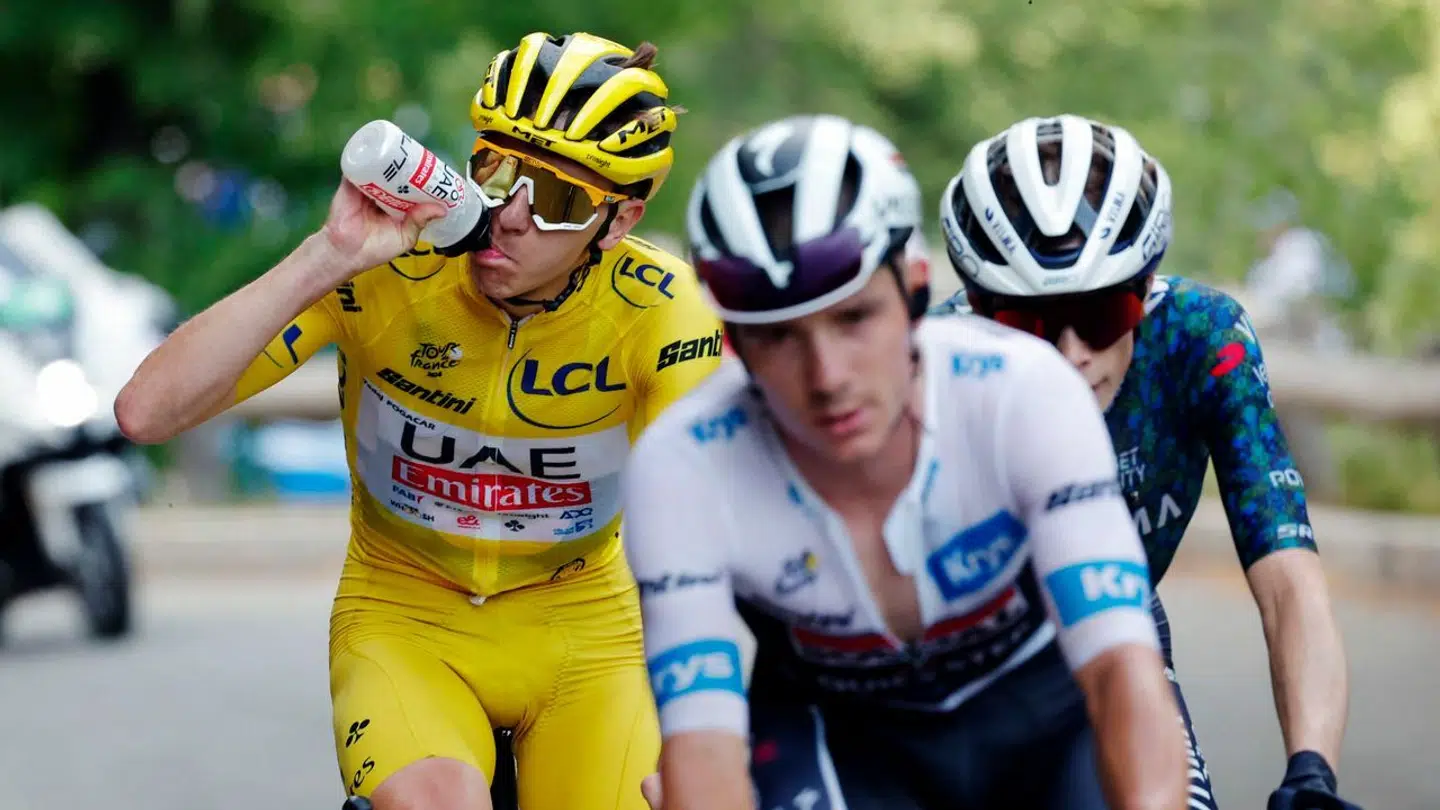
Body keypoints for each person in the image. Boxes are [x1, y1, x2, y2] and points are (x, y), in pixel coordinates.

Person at [114, 31, 723, 810]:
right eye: (497, 171)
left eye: (560, 200)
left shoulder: (664, 311)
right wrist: (328, 255)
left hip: (588, 637)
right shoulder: (385, 269)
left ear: (618, 221)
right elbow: (146, 412)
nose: (512, 215)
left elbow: (705, 525)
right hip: (405, 616)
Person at [623, 113, 1188, 810]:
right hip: (840, 739)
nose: (827, 377)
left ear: (916, 289)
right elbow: (702, 748)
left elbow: (1121, 670)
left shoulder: (1023, 393)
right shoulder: (682, 465)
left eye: (853, 318)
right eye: (778, 337)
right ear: (733, 339)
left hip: (1043, 720)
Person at [929, 114, 1359, 810]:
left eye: (1101, 314)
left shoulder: (1199, 337)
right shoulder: (935, 362)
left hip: (1116, 631)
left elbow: (1289, 581)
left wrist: (1311, 774)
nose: (1071, 354)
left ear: (1146, 284)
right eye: (1028, 323)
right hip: (945, 668)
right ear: (980, 309)